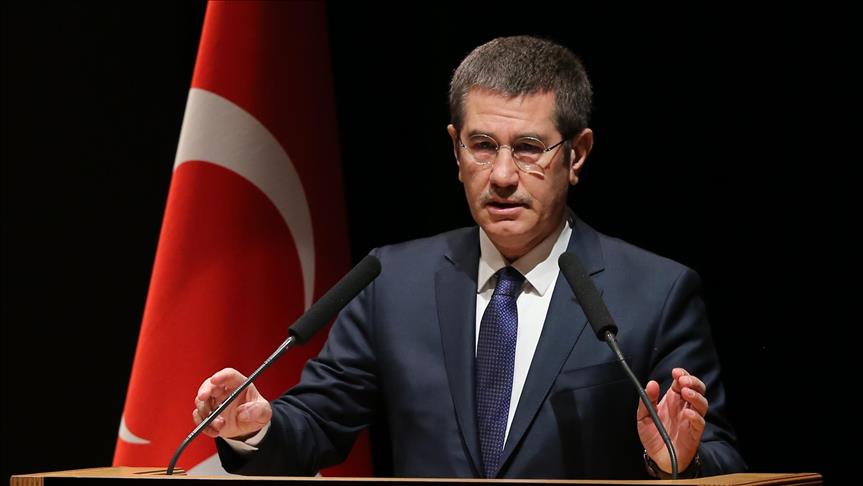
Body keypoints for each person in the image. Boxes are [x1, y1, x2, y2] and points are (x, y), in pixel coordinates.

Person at [193, 35, 746, 479]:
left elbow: (722, 458)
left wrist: (675, 461)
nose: (502, 175)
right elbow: (315, 424)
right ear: (456, 149)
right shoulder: (393, 282)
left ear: (576, 155)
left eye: (529, 148)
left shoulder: (655, 293)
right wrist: (255, 426)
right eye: (482, 146)